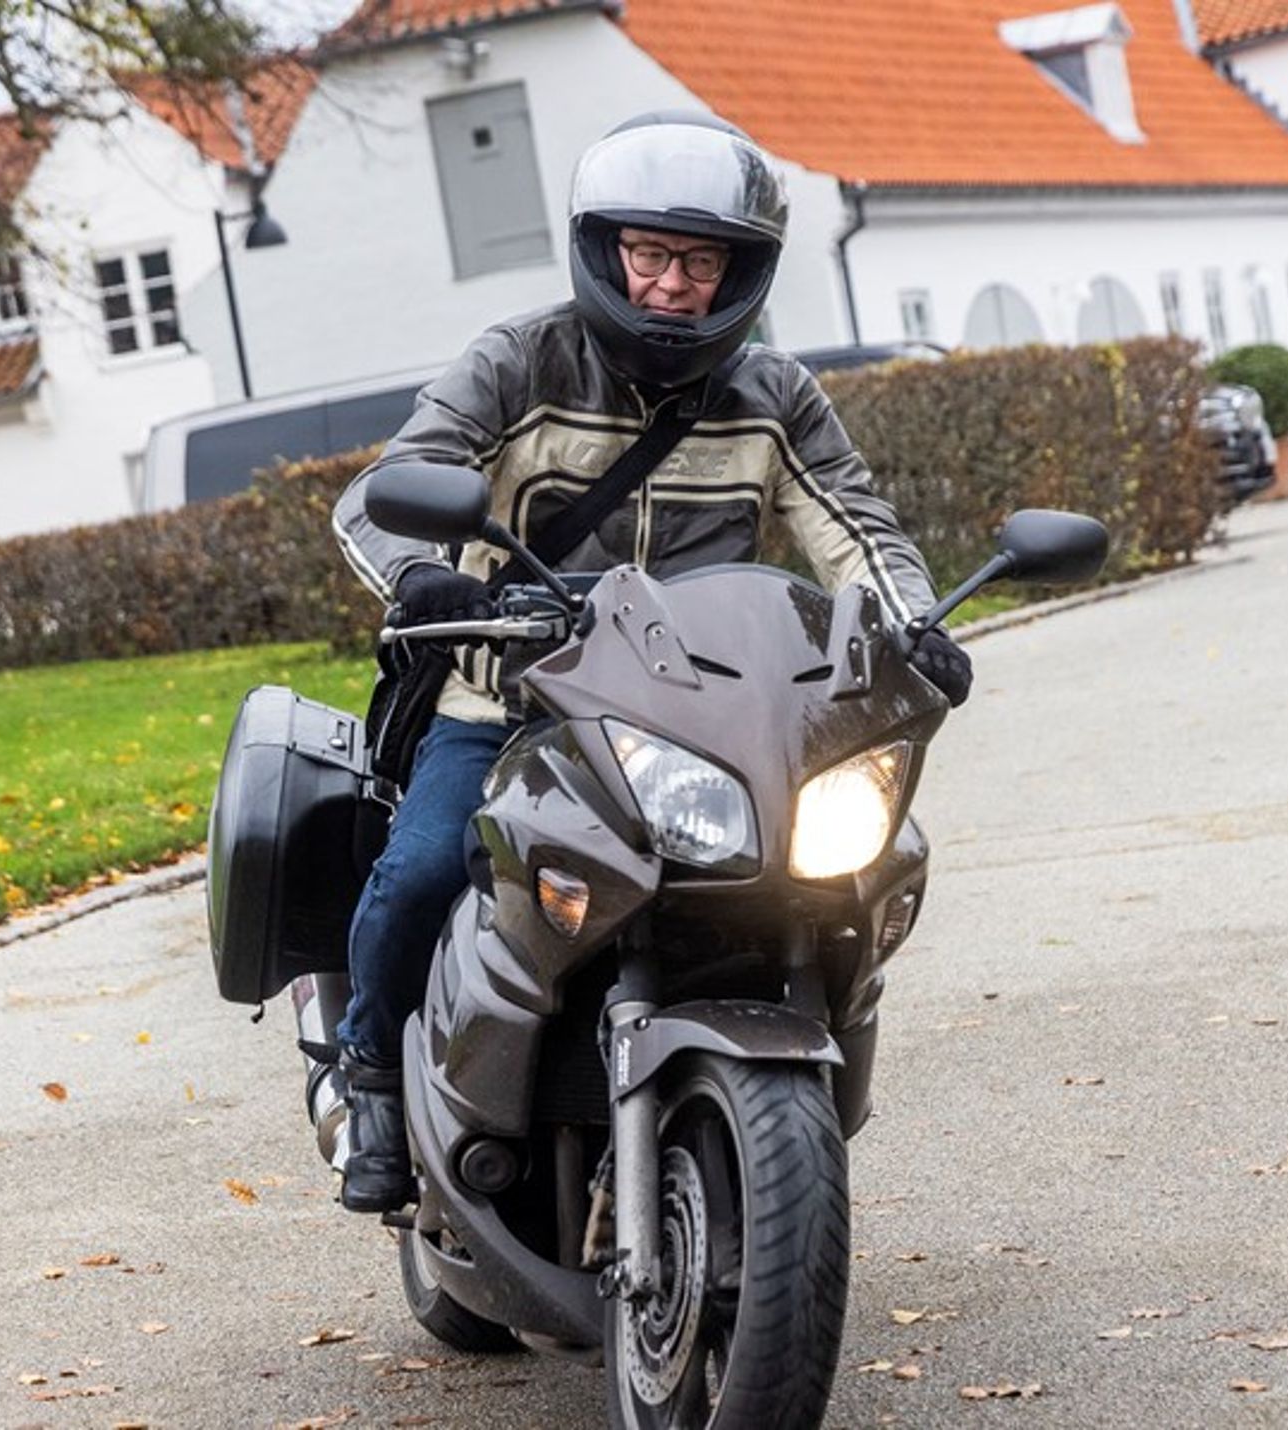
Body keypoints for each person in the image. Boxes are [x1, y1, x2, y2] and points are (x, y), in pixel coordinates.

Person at [327, 111, 972, 1214]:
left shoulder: (776, 396)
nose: (675, 284)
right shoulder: (517, 361)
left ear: (741, 270)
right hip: (512, 700)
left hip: (700, 716)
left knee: (840, 872)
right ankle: (372, 1077)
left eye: (702, 259)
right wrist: (428, 579)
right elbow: (390, 486)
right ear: (606, 251)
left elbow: (854, 526)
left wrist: (912, 623)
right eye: (653, 254)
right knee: (428, 865)